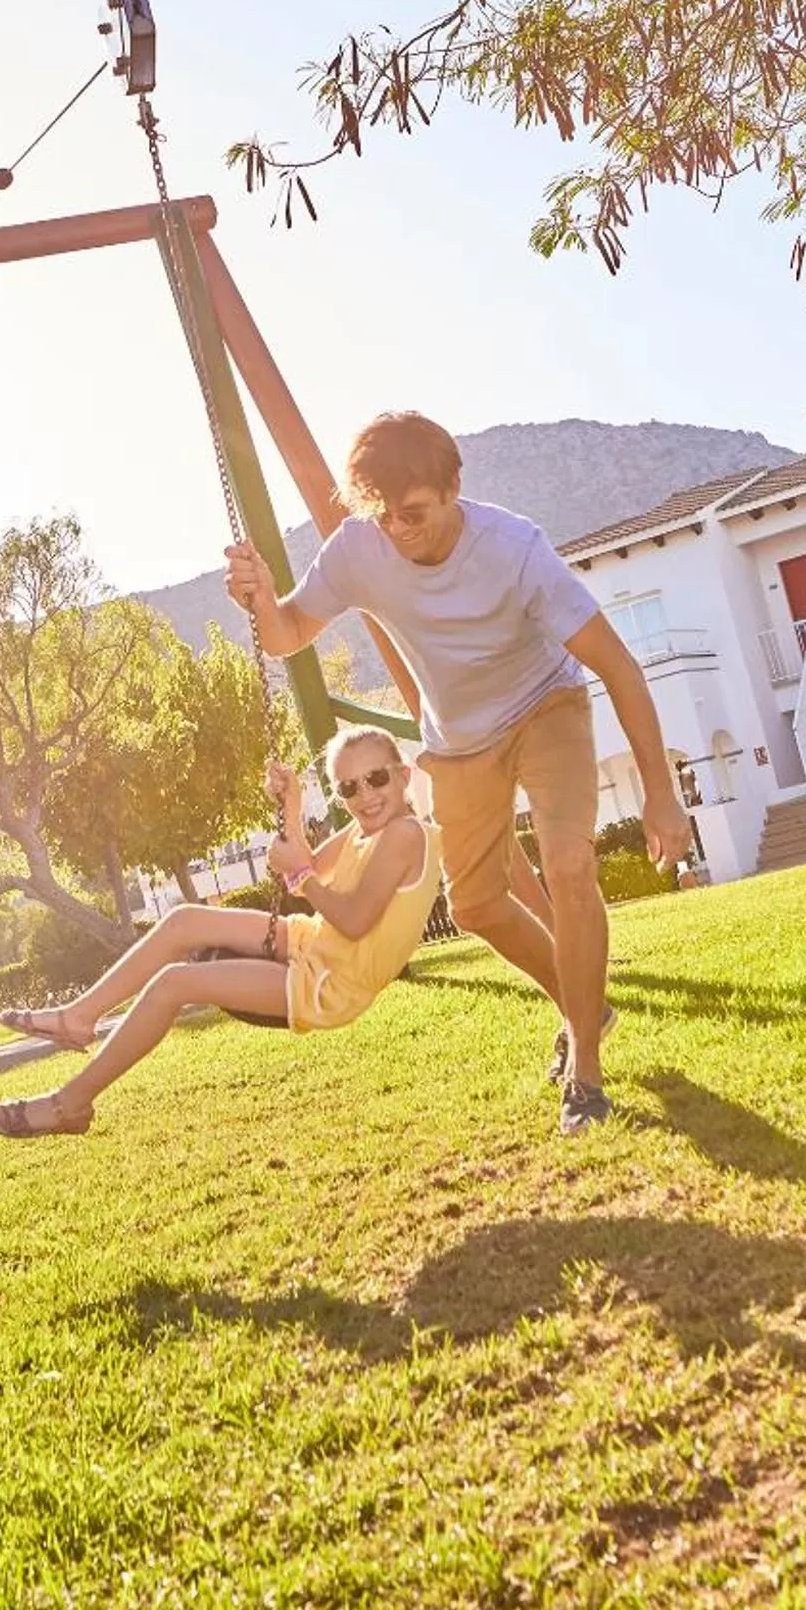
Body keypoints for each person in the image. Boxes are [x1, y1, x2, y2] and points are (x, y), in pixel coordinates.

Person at [224, 411, 687, 1136]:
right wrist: (257, 596)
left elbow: (619, 669)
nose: (400, 532)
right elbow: (286, 633)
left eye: (414, 514)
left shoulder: (514, 549)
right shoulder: (360, 547)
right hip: (460, 742)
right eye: (384, 518)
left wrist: (661, 795)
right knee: (474, 907)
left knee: (568, 864)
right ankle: (583, 1002)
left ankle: (586, 1074)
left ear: (453, 489)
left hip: (546, 706)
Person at [0, 728, 443, 1138]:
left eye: (376, 778)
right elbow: (307, 867)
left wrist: (300, 875)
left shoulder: (405, 834)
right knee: (184, 921)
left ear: (402, 775)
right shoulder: (363, 831)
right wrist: (293, 804)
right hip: (311, 942)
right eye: (349, 787)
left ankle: (68, 1104)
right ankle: (78, 1018)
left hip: (332, 982)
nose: (365, 795)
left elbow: (353, 916)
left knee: (174, 983)